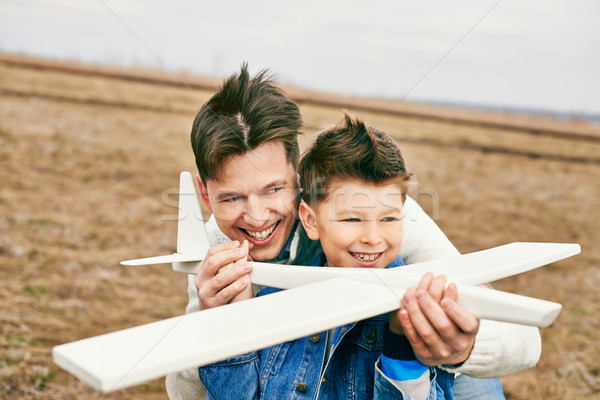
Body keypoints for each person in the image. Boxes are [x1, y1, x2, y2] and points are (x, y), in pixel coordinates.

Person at [165, 65, 541, 399]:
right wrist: (207, 323)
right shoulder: (216, 244)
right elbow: (190, 392)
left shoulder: (377, 218)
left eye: (274, 189)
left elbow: (523, 340)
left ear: (297, 175)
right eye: (231, 197)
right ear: (205, 193)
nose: (258, 216)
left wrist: (460, 350)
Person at [198, 113, 454, 399]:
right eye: (352, 220)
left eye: (389, 219)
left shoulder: (415, 314)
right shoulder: (272, 302)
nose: (372, 237)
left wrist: (401, 350)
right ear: (310, 221)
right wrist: (229, 326)